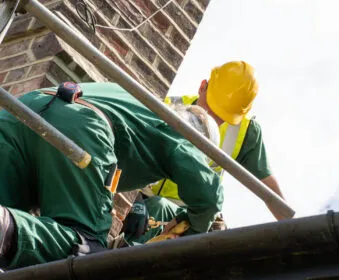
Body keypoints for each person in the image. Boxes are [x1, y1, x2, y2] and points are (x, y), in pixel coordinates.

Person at [0, 82, 223, 269]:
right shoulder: (181, 132)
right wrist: (195, 231)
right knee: (86, 250)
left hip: (25, 108)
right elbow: (210, 197)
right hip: (83, 130)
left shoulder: (139, 105)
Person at [145, 61, 286, 227]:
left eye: (221, 115)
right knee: (155, 207)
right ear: (202, 86)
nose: (210, 117)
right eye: (210, 106)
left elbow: (270, 194)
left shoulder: (245, 134)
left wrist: (297, 232)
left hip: (189, 216)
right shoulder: (170, 106)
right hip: (143, 201)